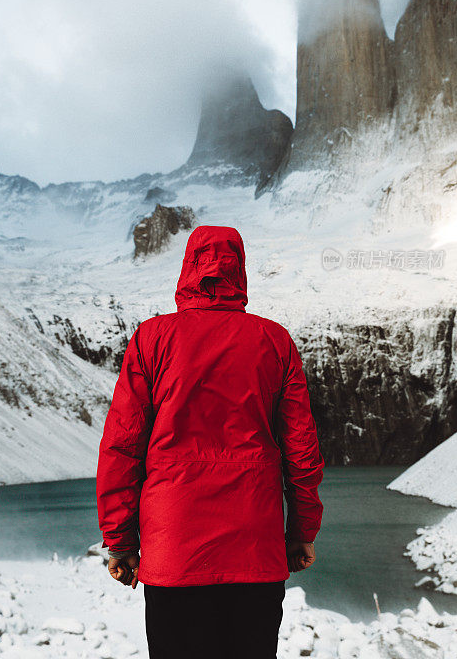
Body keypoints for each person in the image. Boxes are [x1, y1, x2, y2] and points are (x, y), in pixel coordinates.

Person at [96, 225, 325, 659]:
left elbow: (122, 447)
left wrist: (122, 540)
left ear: (187, 270)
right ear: (240, 272)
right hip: (255, 553)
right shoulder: (274, 341)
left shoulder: (151, 339)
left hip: (174, 554)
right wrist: (300, 531)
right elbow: (301, 449)